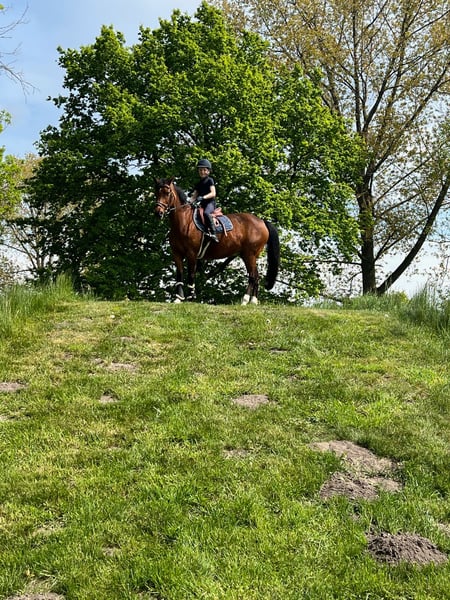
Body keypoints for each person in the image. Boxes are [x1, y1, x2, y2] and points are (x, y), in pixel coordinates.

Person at [190, 158, 219, 242]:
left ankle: (213, 233)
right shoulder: (198, 183)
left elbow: (213, 193)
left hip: (210, 203)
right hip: (201, 205)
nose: (202, 172)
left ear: (208, 171)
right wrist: (188, 202)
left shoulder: (210, 180)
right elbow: (194, 196)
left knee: (206, 213)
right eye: (200, 170)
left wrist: (203, 197)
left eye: (204, 170)